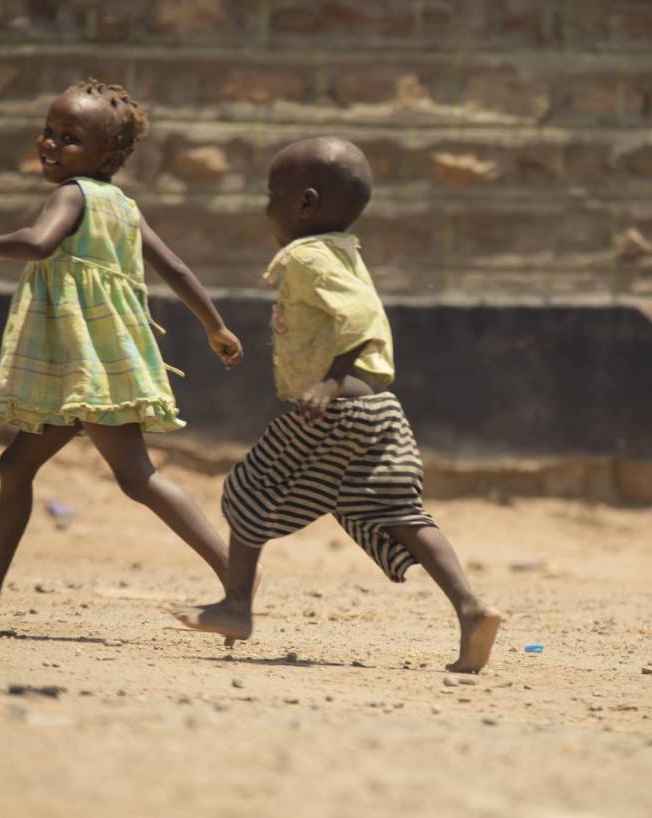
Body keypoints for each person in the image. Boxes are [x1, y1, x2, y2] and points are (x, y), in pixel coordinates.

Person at [0, 78, 244, 625]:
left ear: (108, 155)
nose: (50, 143)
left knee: (137, 476)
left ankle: (238, 583)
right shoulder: (124, 207)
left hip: (84, 366)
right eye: (48, 131)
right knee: (16, 464)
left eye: (68, 137)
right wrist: (215, 327)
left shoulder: (72, 196)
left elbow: (40, 243)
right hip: (81, 362)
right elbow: (178, 270)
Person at [173, 137, 503, 673]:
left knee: (249, 490)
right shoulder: (344, 250)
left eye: (270, 193)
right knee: (399, 513)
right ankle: (470, 608)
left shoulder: (306, 255)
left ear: (304, 203)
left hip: (336, 409)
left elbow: (362, 317)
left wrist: (329, 382)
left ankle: (236, 606)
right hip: (380, 410)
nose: (265, 206)